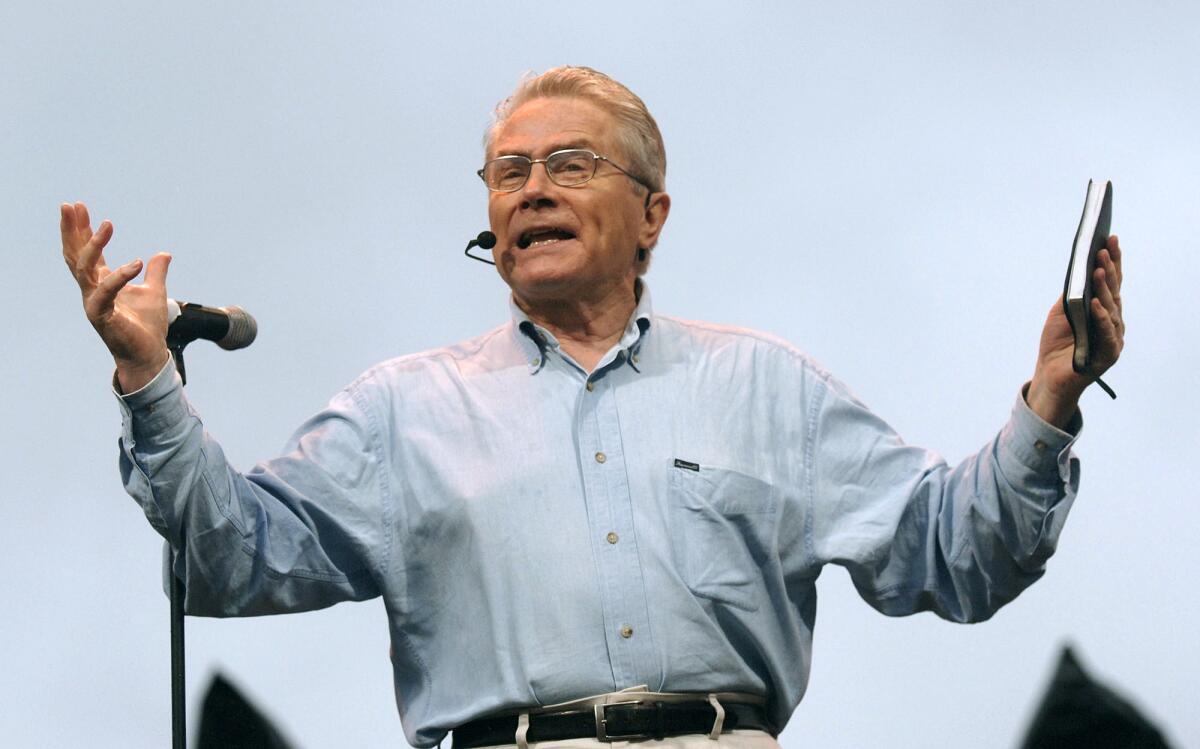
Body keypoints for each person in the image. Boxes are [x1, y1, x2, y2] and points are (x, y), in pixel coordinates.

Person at [60, 66, 1124, 749]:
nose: (530, 190)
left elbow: (956, 551)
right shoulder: (402, 409)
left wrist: (1050, 399)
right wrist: (148, 379)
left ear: (651, 215)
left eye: (568, 165)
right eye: (507, 172)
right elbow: (231, 554)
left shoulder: (766, 387)